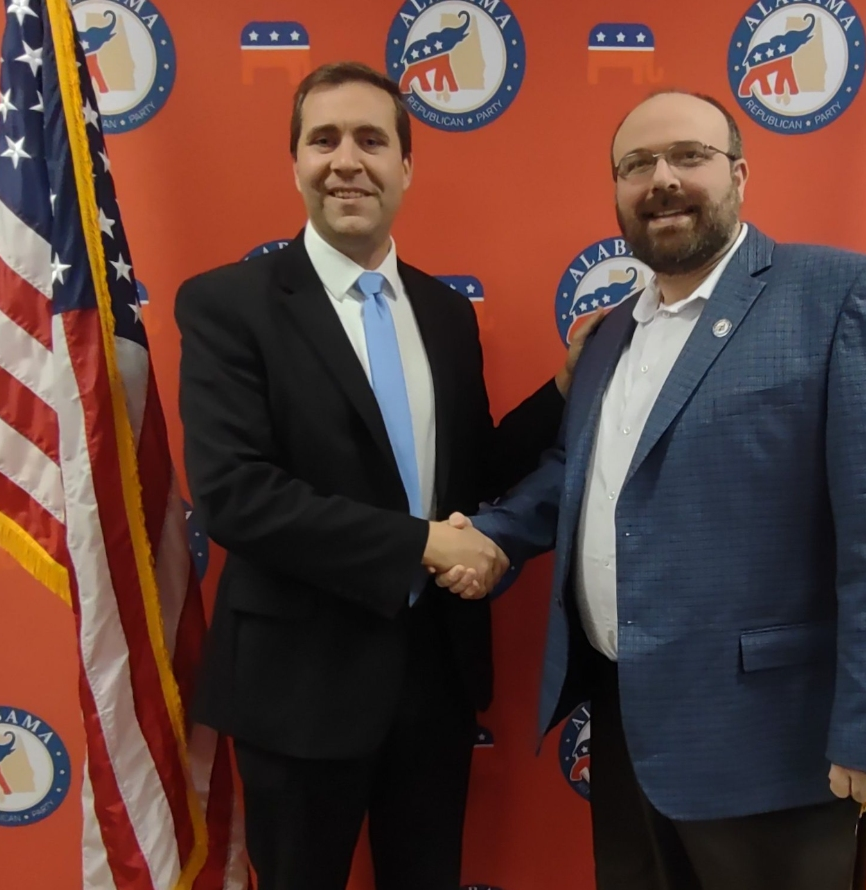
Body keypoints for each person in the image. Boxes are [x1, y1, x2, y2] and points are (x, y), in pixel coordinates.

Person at [437, 90, 866, 890]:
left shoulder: (839, 296)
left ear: (740, 175)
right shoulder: (611, 333)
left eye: (688, 156)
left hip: (775, 746)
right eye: (635, 164)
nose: (662, 179)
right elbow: (586, 474)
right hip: (627, 731)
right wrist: (497, 534)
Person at [175, 61, 598, 890]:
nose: (346, 160)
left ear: (405, 167)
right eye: (322, 139)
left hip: (432, 681)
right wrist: (424, 546)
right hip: (296, 688)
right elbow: (235, 495)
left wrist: (560, 391)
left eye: (371, 139)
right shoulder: (228, 304)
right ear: (294, 163)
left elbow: (470, 469)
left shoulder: (442, 312)